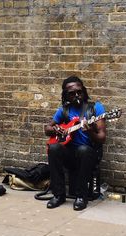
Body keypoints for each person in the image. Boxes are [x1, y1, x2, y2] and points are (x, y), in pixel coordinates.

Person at [44, 76, 106, 211]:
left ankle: (81, 197)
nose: (77, 95)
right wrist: (55, 129)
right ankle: (59, 195)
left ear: (83, 91)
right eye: (72, 94)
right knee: (54, 148)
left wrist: (90, 132)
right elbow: (47, 129)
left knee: (83, 150)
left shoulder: (96, 108)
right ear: (66, 95)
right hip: (70, 154)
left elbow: (102, 138)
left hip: (88, 154)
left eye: (79, 92)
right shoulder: (64, 110)